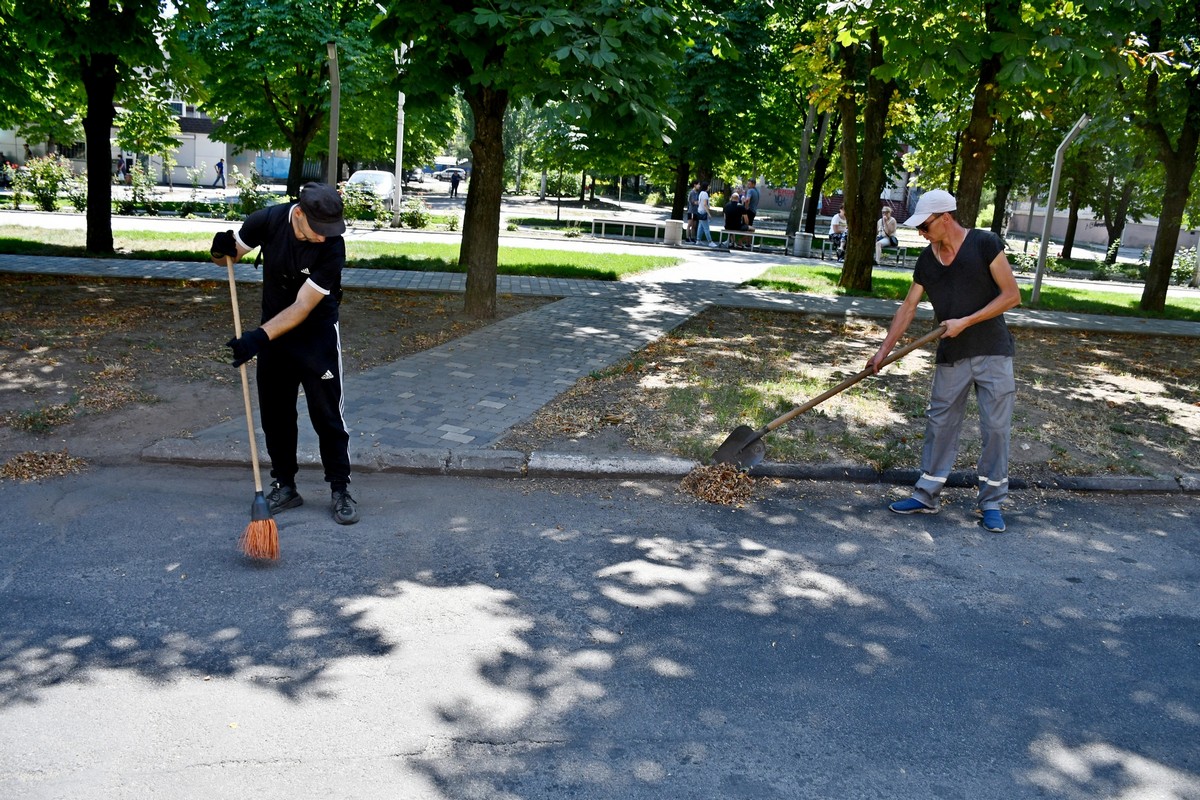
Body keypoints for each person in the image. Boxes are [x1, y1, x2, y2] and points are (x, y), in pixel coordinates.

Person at [866, 189, 1021, 534]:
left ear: (946, 218)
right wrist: (883, 351)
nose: (921, 232)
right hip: (952, 356)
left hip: (993, 350)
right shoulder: (927, 261)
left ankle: (991, 502)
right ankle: (926, 494)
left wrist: (965, 321)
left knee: (995, 429)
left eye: (925, 226)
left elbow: (1011, 295)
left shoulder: (984, 244)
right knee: (940, 426)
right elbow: (908, 309)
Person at [209, 182, 359, 525]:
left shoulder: (332, 247)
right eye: (319, 230)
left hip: (316, 333)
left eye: (330, 231)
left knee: (327, 415)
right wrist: (219, 251)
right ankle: (286, 486)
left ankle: (340, 488)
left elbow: (304, 306)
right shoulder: (266, 220)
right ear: (300, 213)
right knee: (276, 415)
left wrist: (256, 339)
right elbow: (228, 258)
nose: (324, 237)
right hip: (273, 336)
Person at [695, 181, 715, 247]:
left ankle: (698, 240)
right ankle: (710, 241)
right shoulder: (705, 194)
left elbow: (699, 203)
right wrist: (709, 213)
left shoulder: (701, 193)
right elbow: (705, 204)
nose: (709, 187)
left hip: (699, 211)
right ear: (706, 187)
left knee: (700, 227)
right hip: (703, 212)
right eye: (708, 186)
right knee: (706, 228)